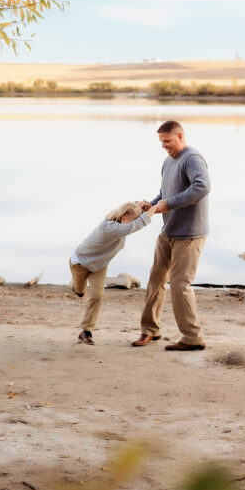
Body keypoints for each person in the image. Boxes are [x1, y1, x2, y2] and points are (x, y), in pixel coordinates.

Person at [131, 120, 211, 351]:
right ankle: (150, 331)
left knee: (180, 285)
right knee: (155, 282)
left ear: (180, 136)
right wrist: (152, 204)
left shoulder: (192, 158)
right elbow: (164, 193)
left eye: (167, 141)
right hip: (168, 232)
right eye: (161, 142)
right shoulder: (168, 162)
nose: (164, 145)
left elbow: (202, 186)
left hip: (189, 234)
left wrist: (168, 205)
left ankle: (193, 338)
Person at [69, 201, 151, 344]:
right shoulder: (109, 228)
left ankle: (86, 331)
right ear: (123, 219)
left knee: (97, 296)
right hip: (80, 264)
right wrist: (155, 210)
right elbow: (136, 225)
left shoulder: (121, 225)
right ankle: (76, 286)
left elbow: (134, 217)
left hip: (99, 265)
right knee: (80, 292)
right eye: (131, 222)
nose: (132, 228)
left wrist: (143, 208)